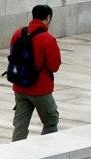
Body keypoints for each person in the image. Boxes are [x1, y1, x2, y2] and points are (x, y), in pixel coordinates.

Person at [10, 5, 62, 141]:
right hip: (40, 90)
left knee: (20, 126)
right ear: (48, 18)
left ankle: (15, 154)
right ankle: (46, 151)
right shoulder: (48, 39)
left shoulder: (18, 33)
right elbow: (54, 66)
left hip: (20, 87)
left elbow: (12, 56)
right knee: (51, 121)